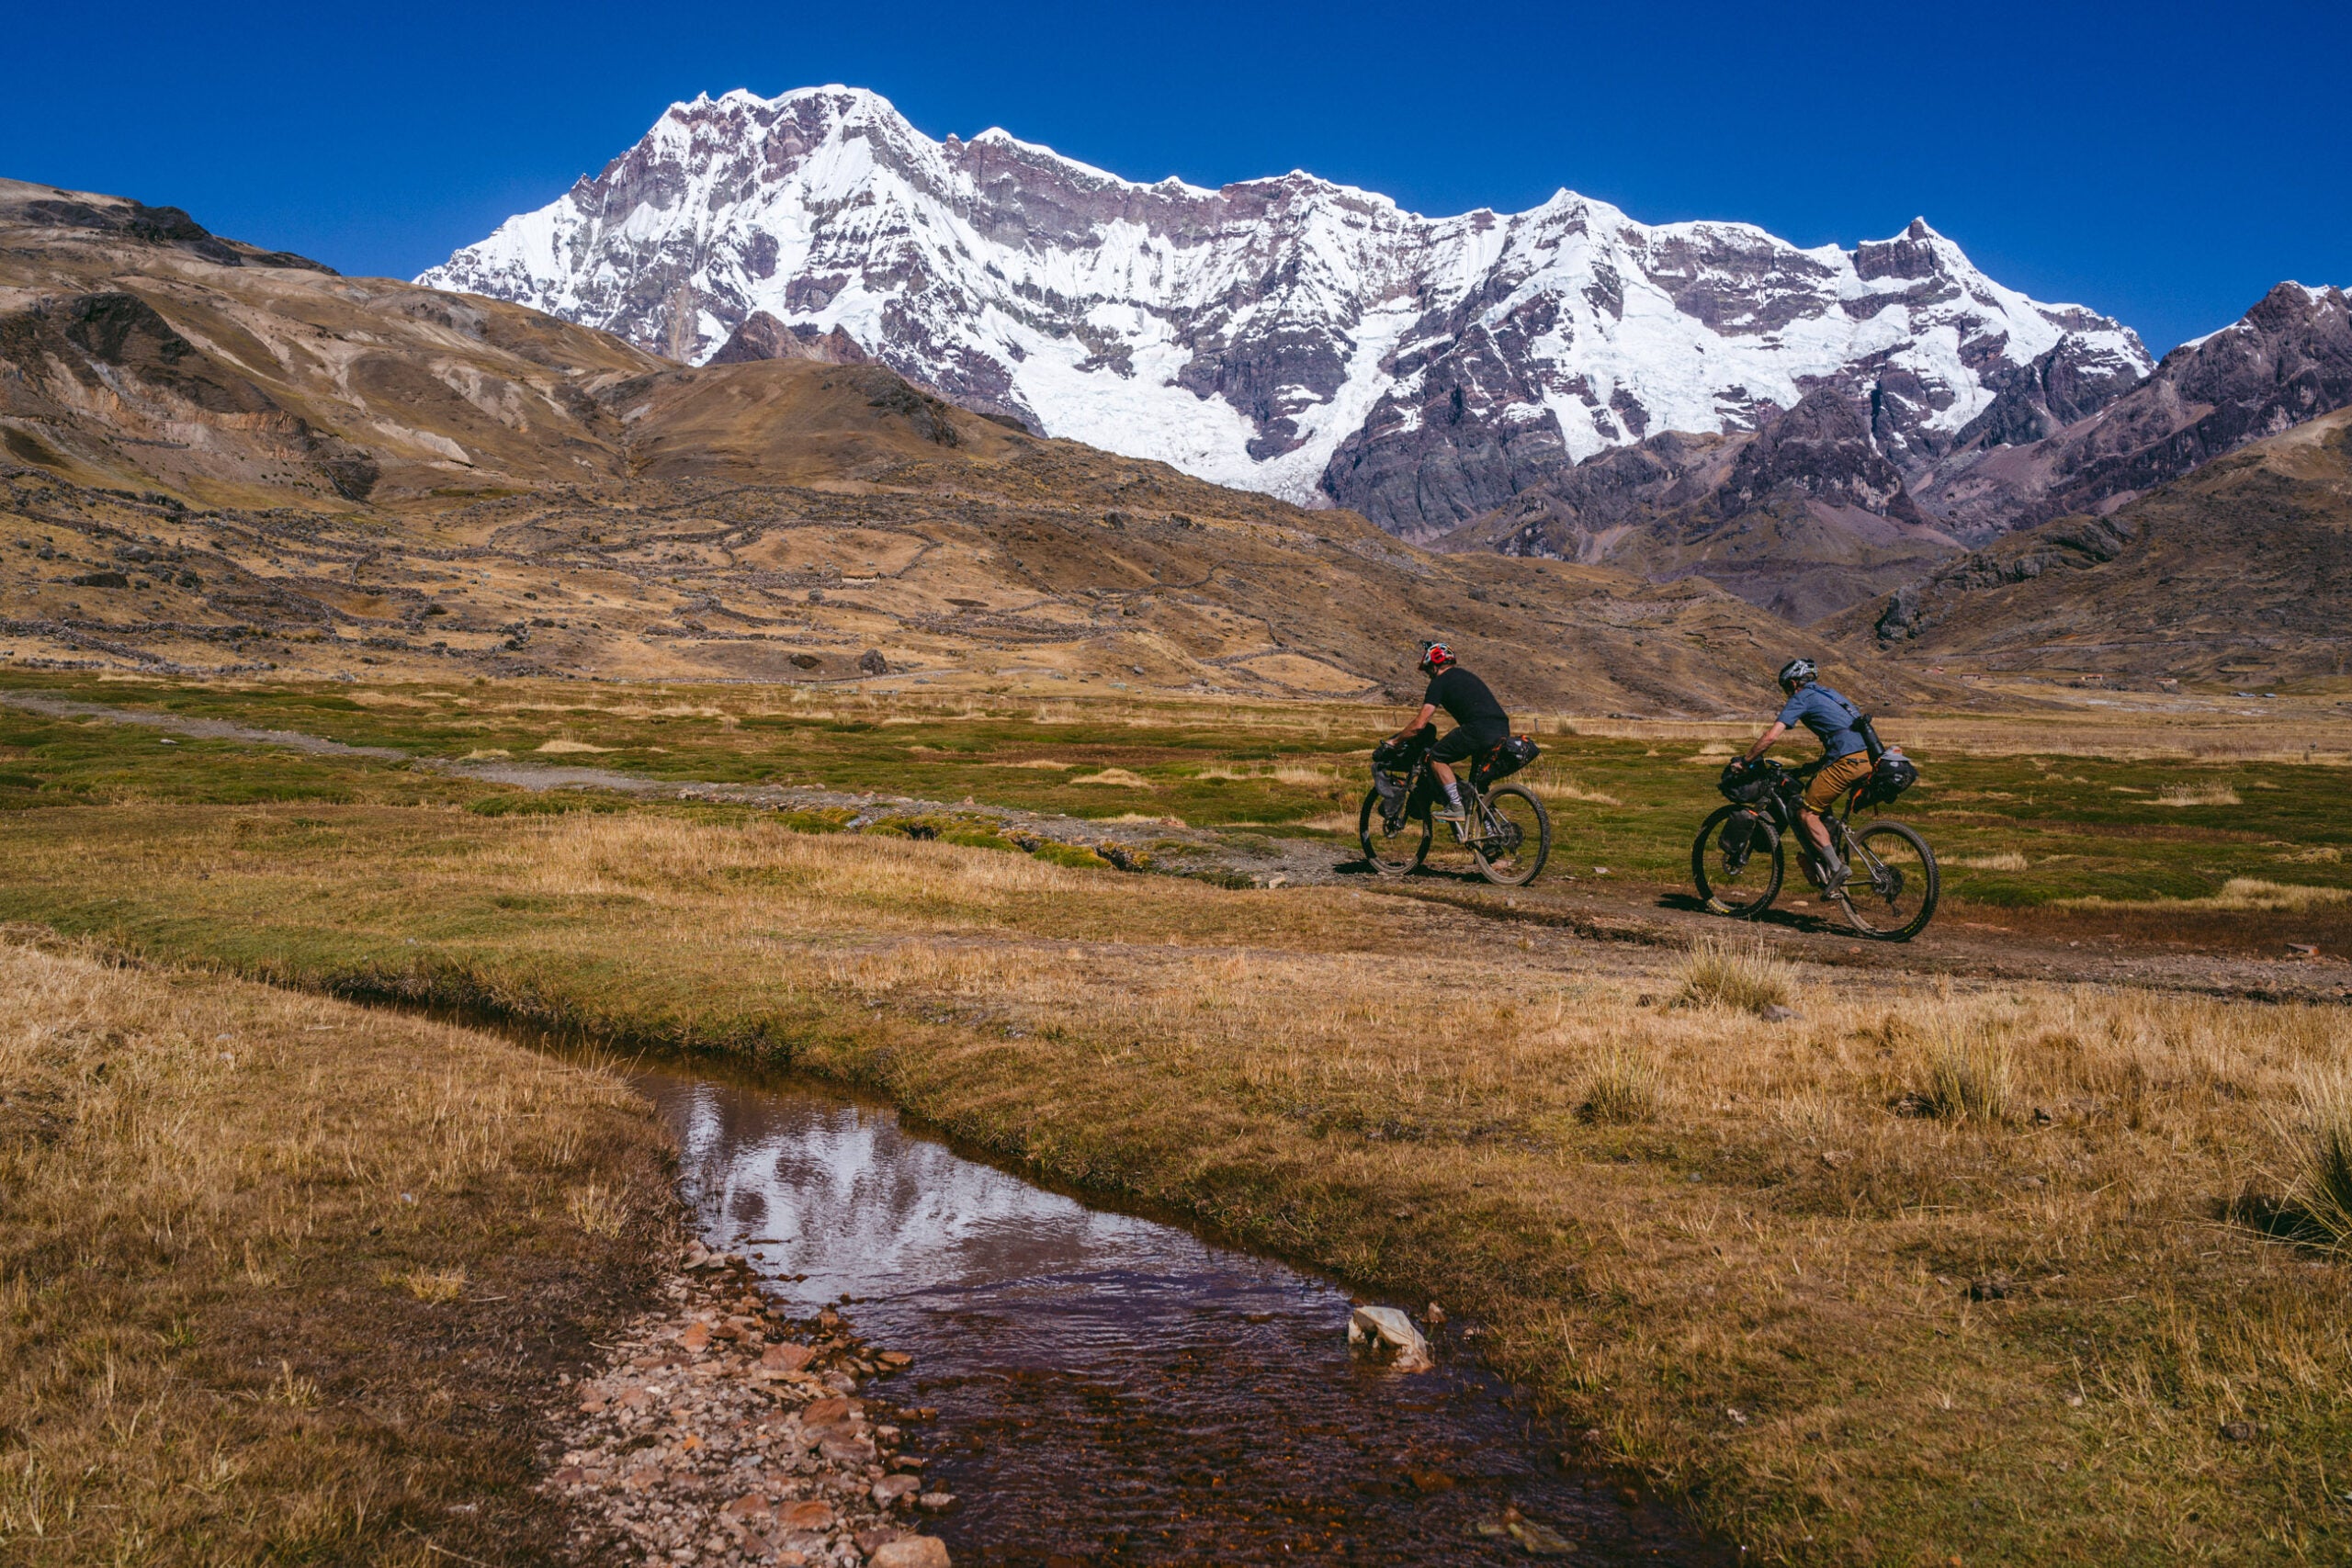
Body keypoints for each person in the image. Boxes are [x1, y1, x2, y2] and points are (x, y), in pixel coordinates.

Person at [1737, 657, 1871, 891]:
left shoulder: (1802, 697)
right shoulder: (1831, 694)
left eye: (1786, 687)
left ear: (1793, 683)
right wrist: (1810, 767)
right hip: (1867, 758)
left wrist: (1745, 761)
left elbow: (1771, 736)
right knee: (1815, 796)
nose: (1787, 693)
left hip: (1847, 761)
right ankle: (1825, 859)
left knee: (1806, 813)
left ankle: (1836, 867)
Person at [1388, 640, 1509, 828]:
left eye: (1428, 670)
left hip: (1478, 730)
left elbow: (1420, 724)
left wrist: (1396, 741)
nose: (1428, 675)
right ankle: (1493, 835)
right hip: (1502, 729)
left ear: (1434, 665)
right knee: (1477, 787)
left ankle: (1455, 806)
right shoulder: (1466, 676)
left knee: (1435, 757)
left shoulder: (1439, 682)